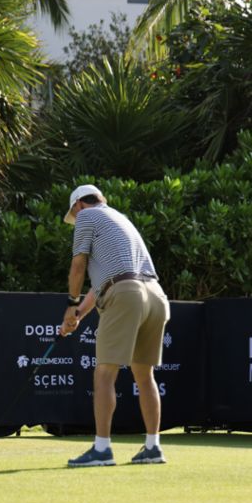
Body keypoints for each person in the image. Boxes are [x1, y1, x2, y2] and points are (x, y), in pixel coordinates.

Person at [58, 184, 170, 467]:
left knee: (104, 373)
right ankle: (153, 447)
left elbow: (78, 266)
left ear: (78, 205)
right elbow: (103, 282)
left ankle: (102, 450)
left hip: (127, 293)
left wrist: (70, 304)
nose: (75, 220)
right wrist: (79, 314)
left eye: (73, 214)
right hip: (156, 296)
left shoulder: (86, 217)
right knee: (144, 375)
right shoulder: (120, 219)